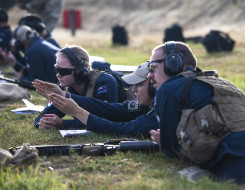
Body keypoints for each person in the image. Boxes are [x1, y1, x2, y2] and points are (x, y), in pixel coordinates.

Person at [148, 41, 245, 184]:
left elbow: (169, 149)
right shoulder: (223, 83)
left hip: (234, 157)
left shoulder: (167, 90)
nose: (150, 75)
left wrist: (162, 140)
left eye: (153, 67)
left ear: (172, 64)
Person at [33, 62, 158, 137]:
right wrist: (66, 96)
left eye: (139, 84)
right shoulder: (146, 105)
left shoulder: (158, 113)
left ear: (154, 86)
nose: (133, 89)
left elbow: (119, 128)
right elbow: (110, 110)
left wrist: (77, 112)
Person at [33, 45, 123, 130]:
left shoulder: (104, 82)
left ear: (80, 71)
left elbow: (107, 120)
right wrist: (42, 123)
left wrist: (64, 124)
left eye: (63, 71)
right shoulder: (65, 88)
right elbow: (44, 115)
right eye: (57, 69)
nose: (58, 75)